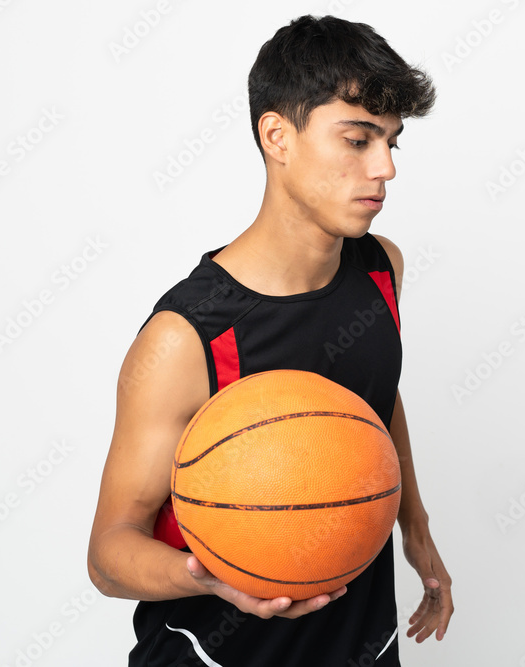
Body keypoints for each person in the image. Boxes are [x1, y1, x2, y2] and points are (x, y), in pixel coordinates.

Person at [87, 14, 452, 666]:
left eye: (393, 143)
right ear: (277, 135)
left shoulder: (380, 269)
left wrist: (414, 527)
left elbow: (374, 397)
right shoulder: (186, 336)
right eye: (359, 139)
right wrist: (210, 576)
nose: (386, 168)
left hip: (362, 644)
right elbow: (109, 551)